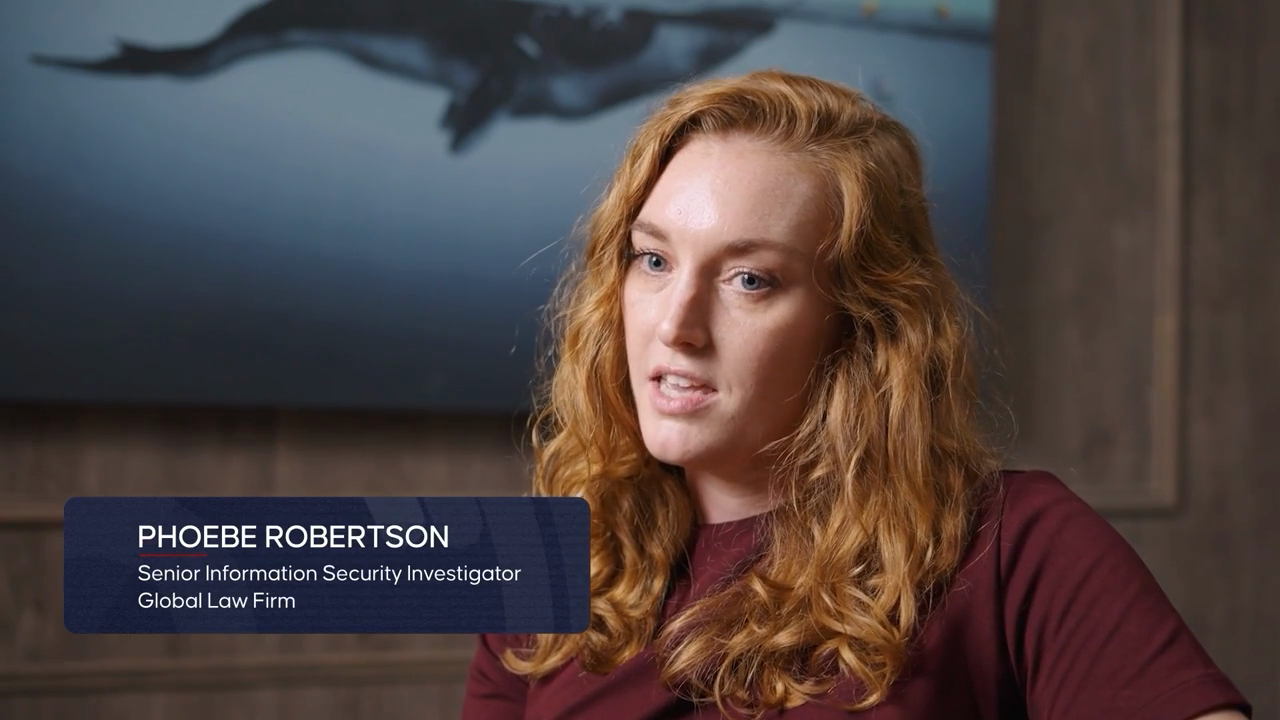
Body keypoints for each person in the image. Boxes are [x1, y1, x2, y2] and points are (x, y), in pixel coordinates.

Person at [460, 70, 1252, 719]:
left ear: (862, 324)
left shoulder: (1018, 543)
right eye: (654, 260)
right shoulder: (540, 556)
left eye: (749, 279)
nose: (676, 325)